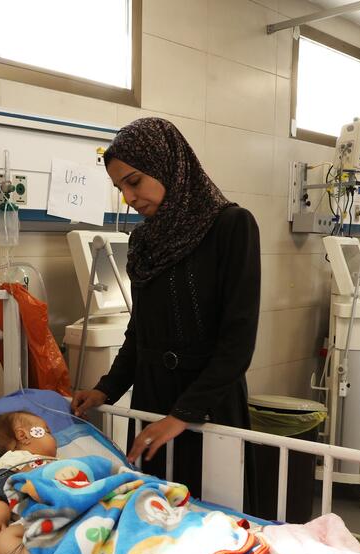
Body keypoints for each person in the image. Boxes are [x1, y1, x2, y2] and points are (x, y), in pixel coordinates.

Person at [70, 117, 261, 498]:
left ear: (168, 165)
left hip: (209, 403)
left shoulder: (232, 227)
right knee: (155, 515)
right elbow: (140, 333)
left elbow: (237, 343)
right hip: (153, 402)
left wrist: (183, 415)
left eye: (134, 180)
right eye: (120, 186)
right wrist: (106, 389)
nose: (128, 196)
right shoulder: (144, 242)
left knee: (216, 517)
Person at [0, 411, 59, 554]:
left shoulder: (59, 463)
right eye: (47, 431)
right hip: (40, 516)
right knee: (3, 543)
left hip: (72, 505)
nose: (54, 438)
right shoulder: (14, 460)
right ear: (23, 436)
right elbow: (0, 491)